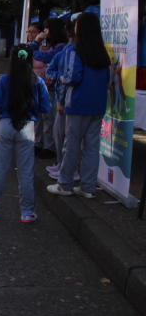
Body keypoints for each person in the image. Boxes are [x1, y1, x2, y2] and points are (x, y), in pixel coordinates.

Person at [0, 44, 51, 223]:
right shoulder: (37, 81)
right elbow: (46, 107)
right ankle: (27, 211)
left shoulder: (4, 80)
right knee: (26, 172)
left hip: (5, 125)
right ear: (31, 60)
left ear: (11, 59)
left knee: (0, 168)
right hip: (27, 127)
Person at [47, 12, 111, 199]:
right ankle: (88, 187)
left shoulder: (74, 51)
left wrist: (59, 78)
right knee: (91, 147)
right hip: (98, 105)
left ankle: (65, 184)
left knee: (71, 145)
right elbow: (107, 79)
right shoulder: (102, 51)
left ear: (79, 28)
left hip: (77, 104)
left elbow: (72, 77)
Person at [29, 17, 68, 160]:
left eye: (46, 30)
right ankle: (38, 143)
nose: (43, 33)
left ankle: (50, 147)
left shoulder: (61, 46)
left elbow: (46, 57)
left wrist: (36, 44)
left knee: (49, 118)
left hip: (51, 88)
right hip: (38, 86)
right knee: (37, 118)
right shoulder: (46, 44)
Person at [46, 15, 78, 180]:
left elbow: (71, 76)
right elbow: (51, 69)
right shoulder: (67, 50)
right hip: (72, 100)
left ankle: (68, 172)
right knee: (63, 136)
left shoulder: (70, 50)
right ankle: (63, 166)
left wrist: (59, 78)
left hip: (69, 100)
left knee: (66, 137)